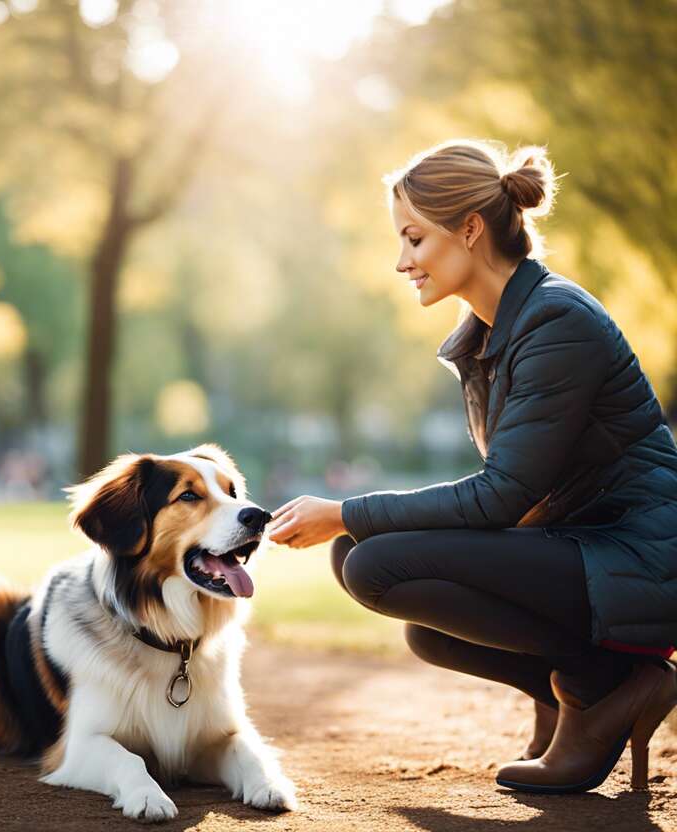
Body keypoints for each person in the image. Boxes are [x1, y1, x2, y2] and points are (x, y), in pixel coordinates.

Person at [265, 139, 677, 794]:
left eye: (414, 239)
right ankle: (575, 685)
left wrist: (344, 510)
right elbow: (521, 493)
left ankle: (604, 684)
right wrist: (352, 524)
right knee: (389, 592)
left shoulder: (556, 322)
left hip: (638, 557)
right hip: (583, 544)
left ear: (471, 228)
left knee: (375, 562)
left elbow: (501, 497)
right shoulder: (494, 329)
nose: (402, 262)